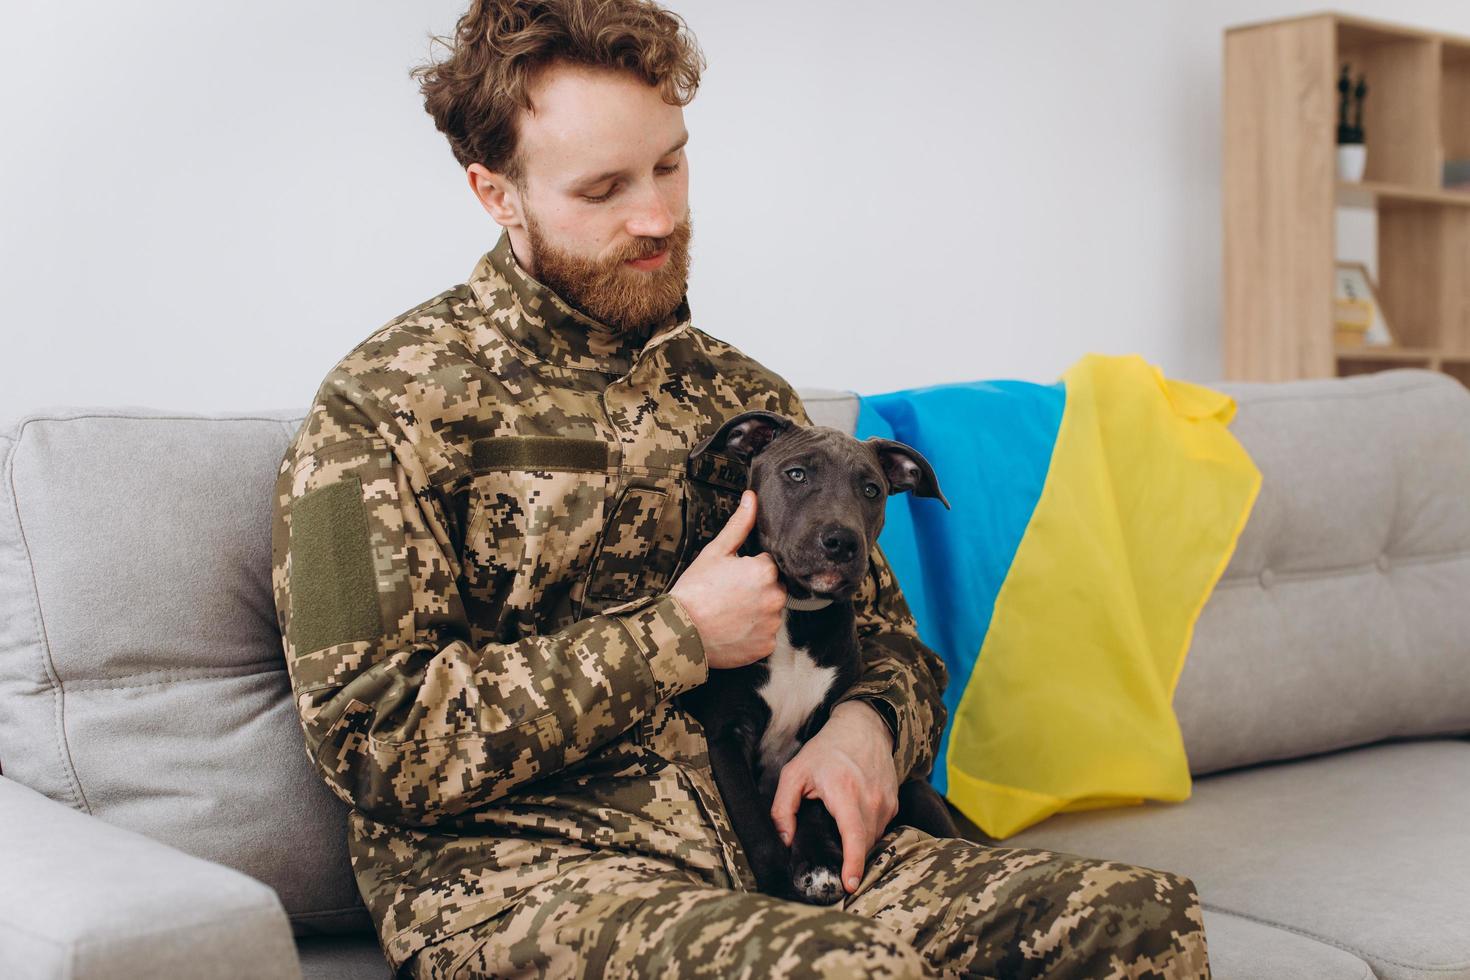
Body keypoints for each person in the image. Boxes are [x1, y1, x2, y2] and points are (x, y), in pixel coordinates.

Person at [269, 1, 1211, 976]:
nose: (659, 216)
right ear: (494, 192)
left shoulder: (747, 397)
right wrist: (672, 636)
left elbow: (889, 642)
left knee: (1138, 918)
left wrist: (868, 730)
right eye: (603, 187)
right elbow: (369, 734)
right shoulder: (381, 411)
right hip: (531, 874)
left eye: (670, 164)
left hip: (786, 838)